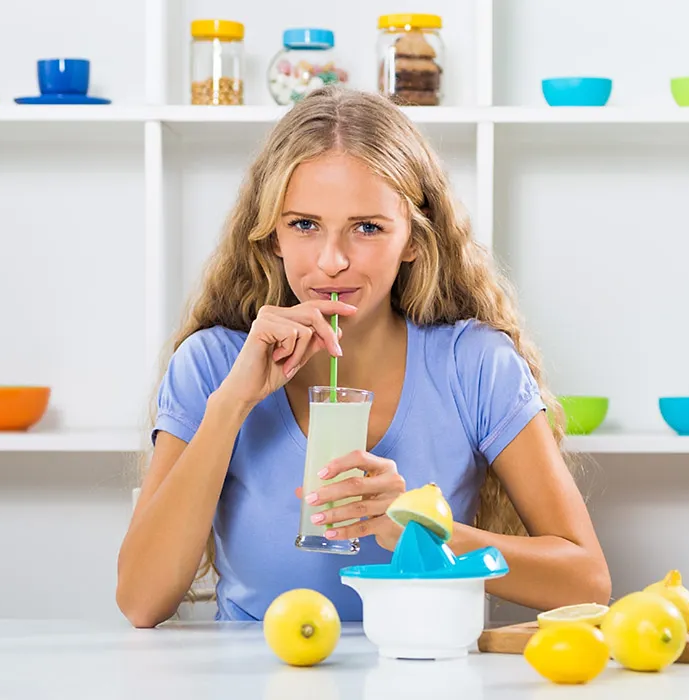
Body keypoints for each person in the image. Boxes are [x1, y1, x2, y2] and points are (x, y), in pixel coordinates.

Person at [116, 86, 611, 628]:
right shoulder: (211, 365)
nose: (332, 262)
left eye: (368, 228)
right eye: (304, 225)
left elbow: (585, 579)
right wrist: (230, 405)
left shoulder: (474, 366)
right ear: (272, 236)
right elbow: (141, 601)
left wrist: (424, 530)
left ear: (414, 239)